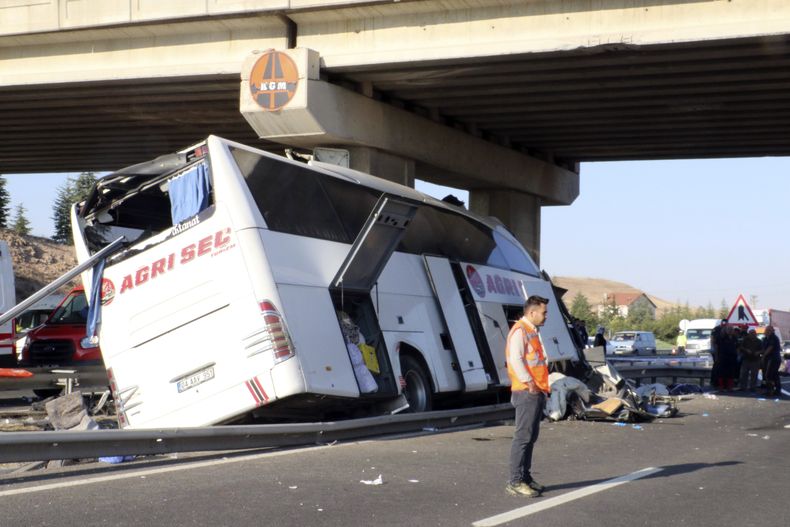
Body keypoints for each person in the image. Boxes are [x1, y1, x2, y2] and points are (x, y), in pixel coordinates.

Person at [505, 295, 551, 498]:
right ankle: (515, 481)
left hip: (536, 390)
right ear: (532, 312)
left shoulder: (532, 331)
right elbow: (515, 359)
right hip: (526, 391)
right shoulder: (520, 331)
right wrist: (529, 382)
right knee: (523, 437)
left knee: (530, 437)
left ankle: (525, 477)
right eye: (544, 312)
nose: (546, 316)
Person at [762, 325, 782, 396]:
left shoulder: (773, 337)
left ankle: (770, 390)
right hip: (770, 358)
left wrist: (763, 356)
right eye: (766, 330)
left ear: (771, 331)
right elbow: (763, 348)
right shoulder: (765, 338)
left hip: (773, 358)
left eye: (768, 330)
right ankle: (777, 390)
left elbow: (770, 347)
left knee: (768, 375)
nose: (766, 331)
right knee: (775, 374)